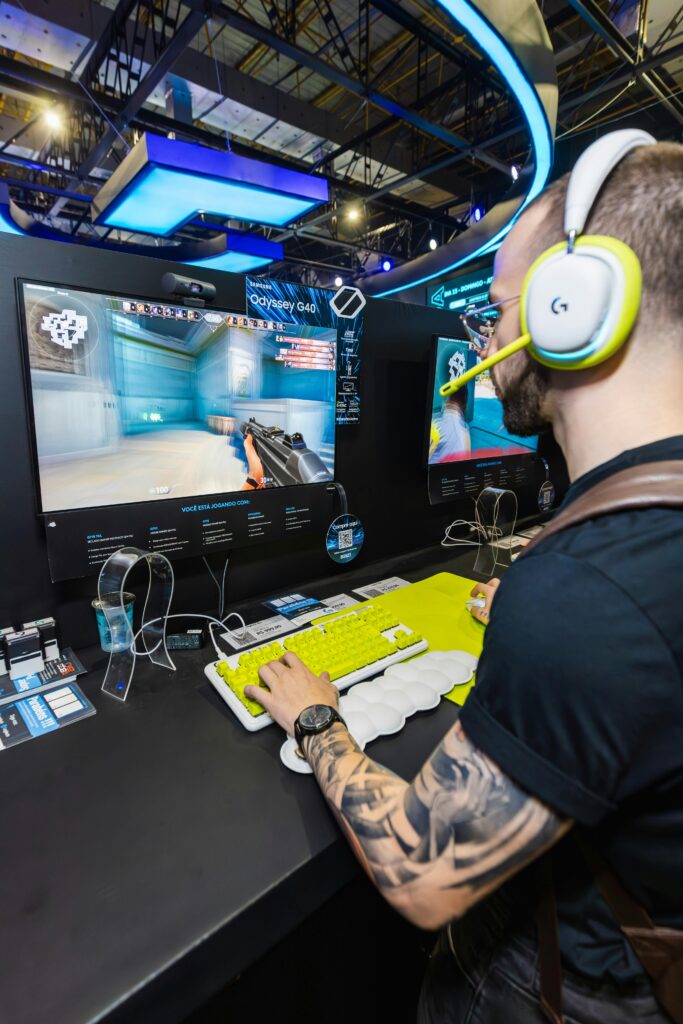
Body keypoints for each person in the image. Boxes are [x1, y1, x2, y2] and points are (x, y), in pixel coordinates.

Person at [245, 137, 683, 1022]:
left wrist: (316, 719)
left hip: (557, 990)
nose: (485, 340)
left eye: (494, 310)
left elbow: (418, 871)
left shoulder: (589, 592)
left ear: (571, 307)